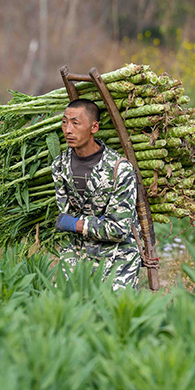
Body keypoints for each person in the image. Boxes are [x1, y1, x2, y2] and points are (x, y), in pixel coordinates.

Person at [51, 98, 142, 290]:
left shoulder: (120, 169)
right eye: (64, 122)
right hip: (78, 252)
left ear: (94, 127)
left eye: (75, 123)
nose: (68, 130)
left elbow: (118, 229)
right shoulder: (59, 166)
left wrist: (77, 224)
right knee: (66, 306)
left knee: (112, 310)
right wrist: (76, 224)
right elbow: (65, 217)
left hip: (118, 256)